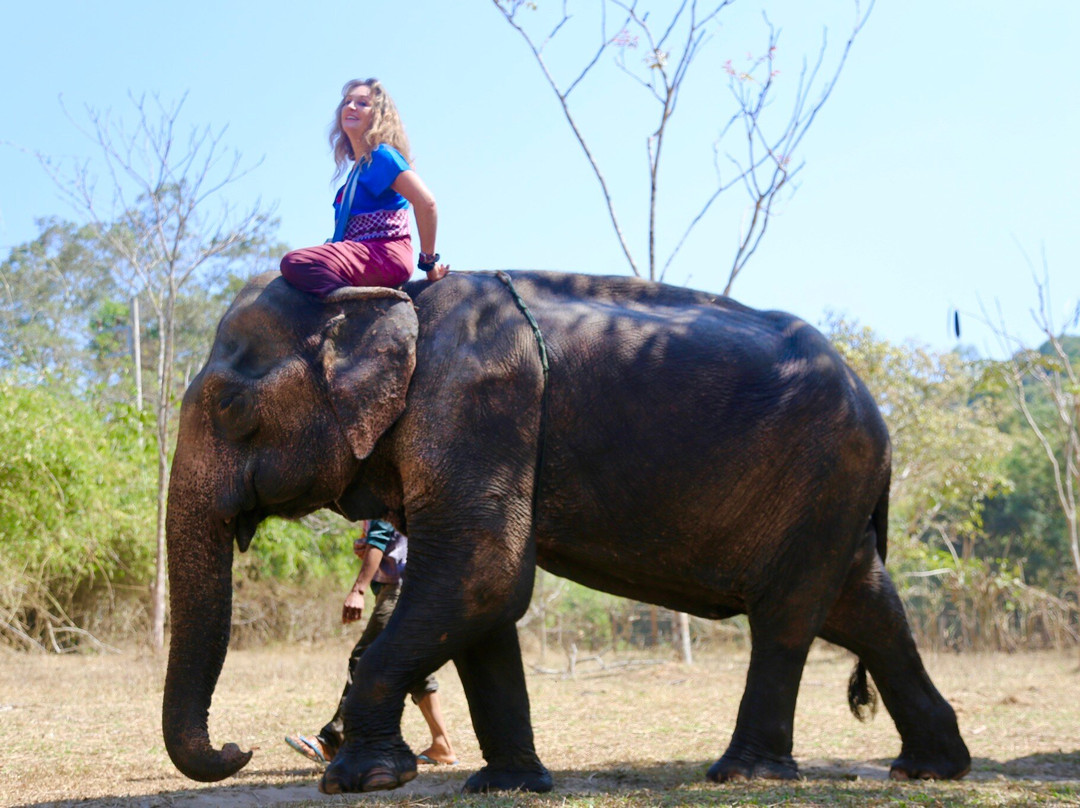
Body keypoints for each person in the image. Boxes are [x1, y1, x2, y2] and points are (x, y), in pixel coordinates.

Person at [285, 519, 457, 767]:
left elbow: (379, 540)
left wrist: (358, 590)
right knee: (414, 668)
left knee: (366, 658)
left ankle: (332, 742)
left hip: (399, 589)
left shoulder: (381, 500)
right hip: (408, 586)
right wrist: (365, 550)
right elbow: (382, 543)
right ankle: (442, 745)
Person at [279, 78, 449, 298]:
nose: (351, 106)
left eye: (362, 103)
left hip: (384, 255)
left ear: (379, 116)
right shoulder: (357, 171)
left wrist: (428, 263)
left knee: (295, 262)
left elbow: (427, 203)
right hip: (362, 253)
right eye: (347, 101)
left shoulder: (381, 156)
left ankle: (347, 307)